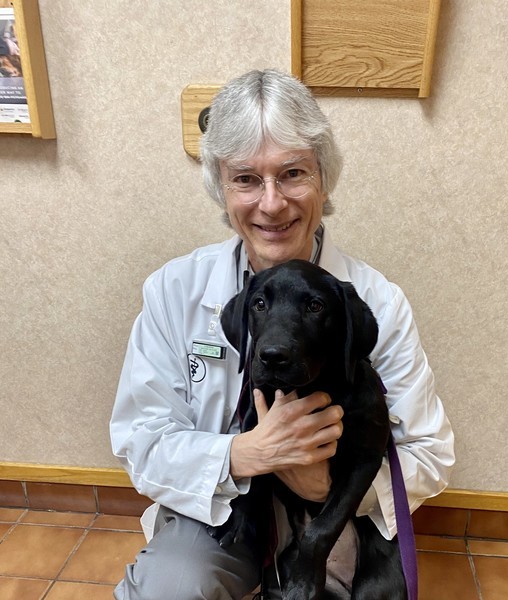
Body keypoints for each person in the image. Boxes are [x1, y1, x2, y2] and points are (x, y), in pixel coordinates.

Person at [110, 69, 455, 600]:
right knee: (172, 587)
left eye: (292, 173)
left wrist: (327, 488)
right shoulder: (174, 290)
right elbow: (141, 439)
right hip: (224, 504)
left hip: (340, 519)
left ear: (324, 178)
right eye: (246, 179)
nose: (271, 204)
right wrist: (247, 455)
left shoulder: (376, 300)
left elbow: (430, 454)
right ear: (221, 189)